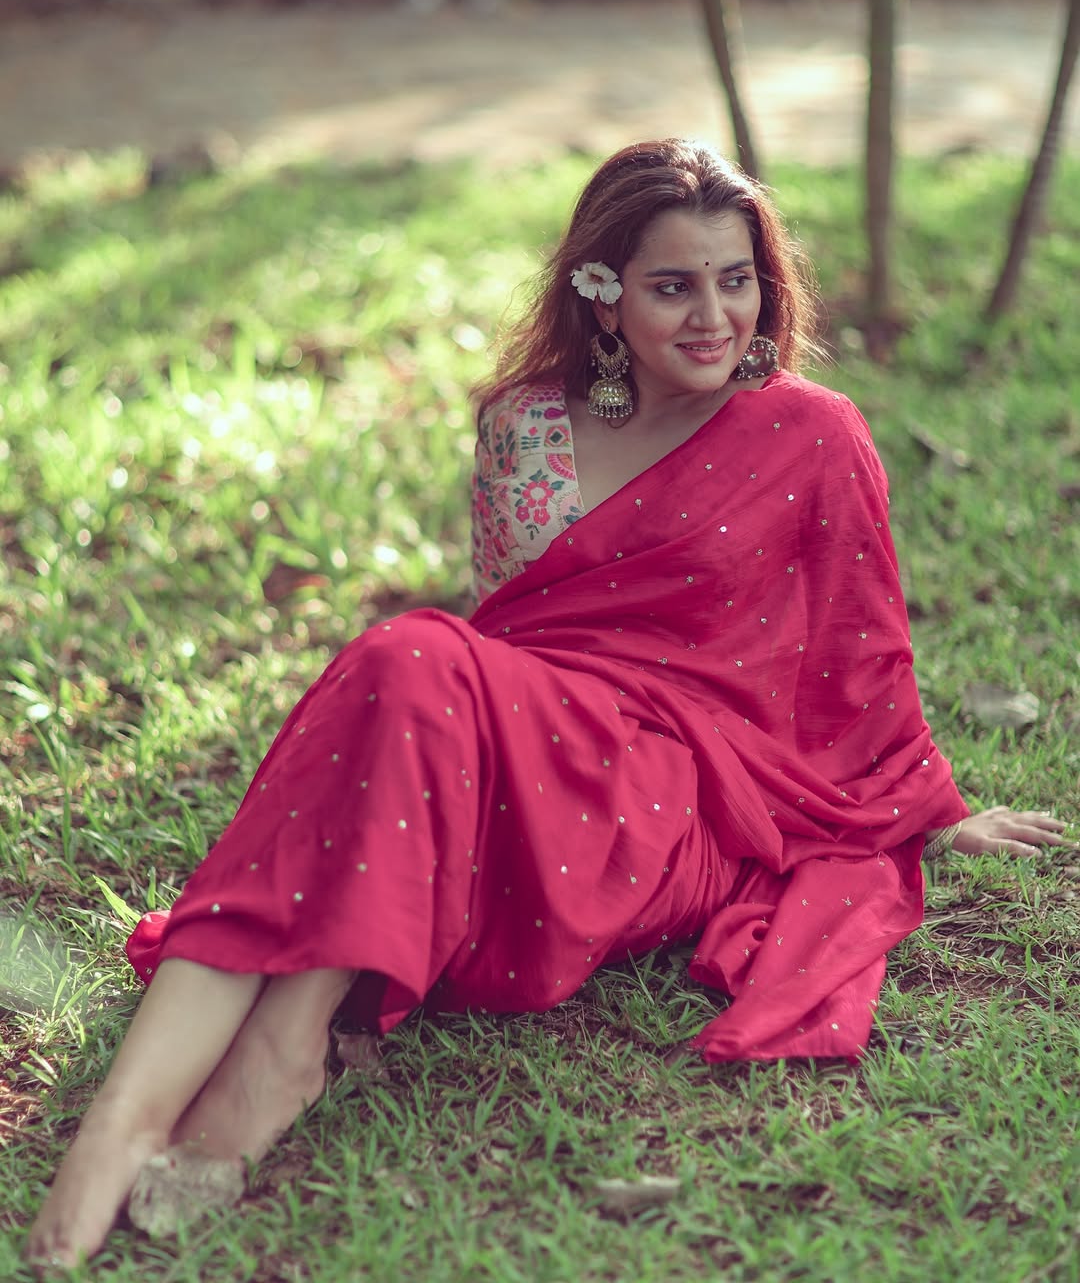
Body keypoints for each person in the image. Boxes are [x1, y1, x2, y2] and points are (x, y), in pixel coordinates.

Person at [27, 137, 1070, 1270]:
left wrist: (925, 809)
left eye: (737, 279)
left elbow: (862, 660)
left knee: (408, 663)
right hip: (532, 755)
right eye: (672, 285)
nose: (713, 315)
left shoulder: (813, 435)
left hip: (673, 798)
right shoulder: (528, 428)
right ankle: (126, 1127)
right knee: (409, 662)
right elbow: (516, 639)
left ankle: (275, 1055)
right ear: (602, 295)